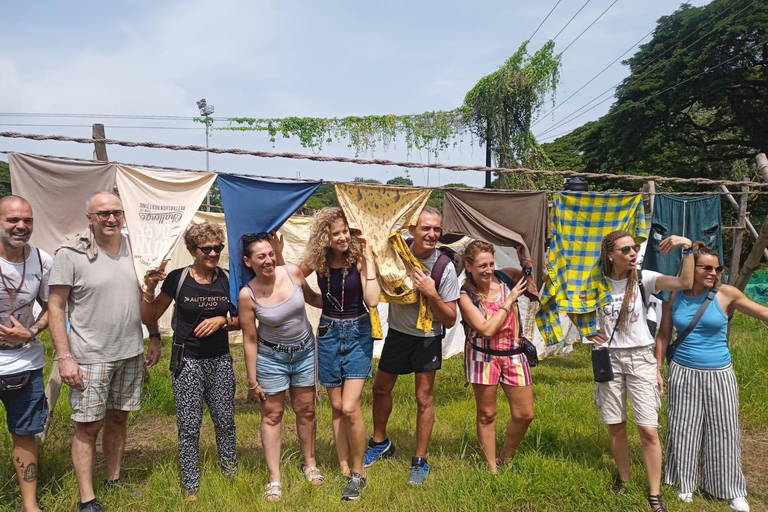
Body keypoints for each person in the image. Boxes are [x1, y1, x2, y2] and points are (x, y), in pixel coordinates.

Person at [48, 191, 161, 512]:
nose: (111, 218)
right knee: (87, 425)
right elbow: (55, 307)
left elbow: (142, 300)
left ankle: (113, 478)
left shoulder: (135, 250)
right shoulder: (71, 253)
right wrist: (65, 357)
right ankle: (87, 498)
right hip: (90, 357)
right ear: (90, 218)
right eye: (103, 213)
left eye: (116, 212)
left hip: (129, 352)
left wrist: (153, 336)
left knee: (118, 418)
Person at [589, 230, 693, 512]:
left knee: (648, 430)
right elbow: (576, 308)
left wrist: (687, 248)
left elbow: (685, 281)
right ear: (610, 255)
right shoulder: (596, 283)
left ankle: (654, 494)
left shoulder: (645, 279)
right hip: (607, 358)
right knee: (616, 425)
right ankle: (624, 480)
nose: (633, 253)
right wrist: (586, 332)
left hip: (640, 358)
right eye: (625, 250)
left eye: (634, 248)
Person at [141, 221, 240, 500]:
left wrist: (222, 320)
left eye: (217, 248)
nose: (212, 253)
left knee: (225, 420)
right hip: (188, 360)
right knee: (188, 425)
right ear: (191, 249)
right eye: (206, 248)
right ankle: (190, 486)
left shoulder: (227, 278)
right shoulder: (177, 278)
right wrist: (149, 289)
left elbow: (242, 319)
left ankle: (230, 476)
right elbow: (149, 317)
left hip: (220, 359)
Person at [364, 206, 460, 485]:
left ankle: (420, 459)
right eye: (426, 228)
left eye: (436, 229)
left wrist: (431, 293)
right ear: (411, 230)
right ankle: (380, 442)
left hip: (427, 336)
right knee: (381, 388)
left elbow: (451, 319)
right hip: (398, 332)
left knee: (423, 397)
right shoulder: (397, 252)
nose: (432, 234)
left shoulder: (445, 267)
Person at [657, 243, 756, 512]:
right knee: (683, 427)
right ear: (692, 268)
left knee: (724, 430)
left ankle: (730, 489)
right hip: (683, 371)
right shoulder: (674, 295)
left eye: (718, 268)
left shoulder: (726, 294)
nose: (714, 273)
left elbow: (762, 313)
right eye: (707, 268)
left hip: (720, 373)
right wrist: (657, 370)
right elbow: (664, 336)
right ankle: (685, 483)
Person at [296, 207, 379, 500]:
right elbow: (294, 275)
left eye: (346, 231)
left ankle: (359, 469)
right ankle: (343, 463)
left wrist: (368, 259)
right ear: (325, 237)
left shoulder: (359, 259)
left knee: (349, 406)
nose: (343, 237)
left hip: (358, 333)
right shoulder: (319, 261)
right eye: (336, 233)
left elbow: (372, 299)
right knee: (335, 405)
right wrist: (313, 297)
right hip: (329, 333)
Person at [238, 231, 324, 502]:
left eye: (271, 253)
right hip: (271, 359)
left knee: (306, 410)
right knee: (272, 415)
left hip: (305, 354)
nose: (268, 260)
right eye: (260, 256)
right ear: (247, 261)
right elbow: (250, 338)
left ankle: (309, 463)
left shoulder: (293, 273)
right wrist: (252, 381)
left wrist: (347, 303)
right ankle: (274, 478)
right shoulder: (247, 294)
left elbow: (314, 299)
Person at [457, 240, 533, 474]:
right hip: (483, 355)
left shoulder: (506, 277)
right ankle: (491, 468)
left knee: (525, 414)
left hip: (514, 353)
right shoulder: (465, 295)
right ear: (468, 266)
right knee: (487, 414)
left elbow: (535, 279)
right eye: (482, 266)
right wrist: (509, 302)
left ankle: (506, 455)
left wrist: (527, 259)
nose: (489, 270)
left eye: (491, 263)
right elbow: (486, 330)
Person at [0, 195, 52, 512]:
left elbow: (53, 307)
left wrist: (31, 331)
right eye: (12, 220)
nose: (21, 226)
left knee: (25, 433)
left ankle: (29, 506)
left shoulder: (42, 261)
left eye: (27, 220)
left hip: (24, 360)